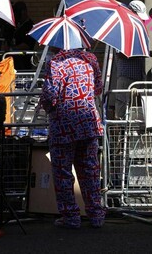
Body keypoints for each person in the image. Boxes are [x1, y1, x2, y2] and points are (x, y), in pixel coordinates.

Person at [39, 48, 106, 229]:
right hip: (89, 122)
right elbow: (98, 89)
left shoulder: (55, 63)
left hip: (63, 125)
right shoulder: (90, 58)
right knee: (90, 171)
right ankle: (96, 215)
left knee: (63, 174)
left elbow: (49, 97)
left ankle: (71, 216)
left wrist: (46, 106)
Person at [113, 0, 152, 119]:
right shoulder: (122, 30)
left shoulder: (136, 30)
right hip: (126, 77)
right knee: (123, 108)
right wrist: (143, 54)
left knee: (137, 110)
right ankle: (121, 133)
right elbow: (121, 54)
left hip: (137, 77)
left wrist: (146, 53)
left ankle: (132, 133)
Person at [9, 1, 37, 70]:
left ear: (24, 12)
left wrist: (12, 49)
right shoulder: (17, 25)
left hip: (24, 60)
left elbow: (27, 44)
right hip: (14, 60)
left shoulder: (29, 26)